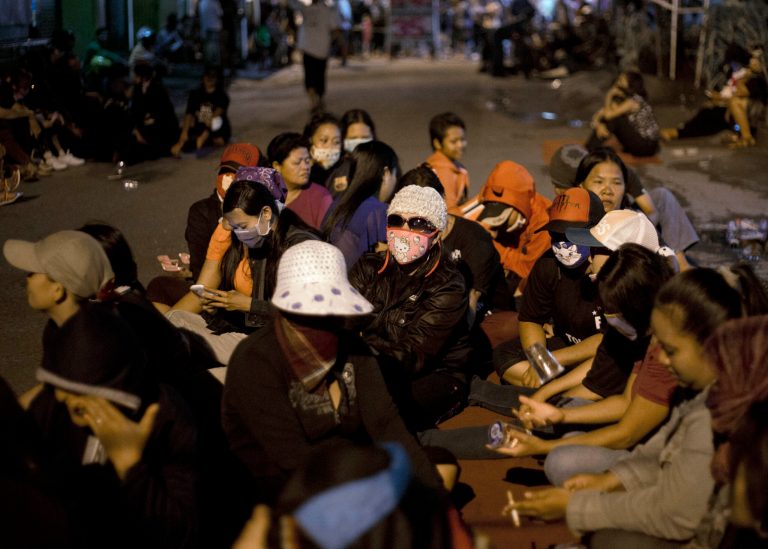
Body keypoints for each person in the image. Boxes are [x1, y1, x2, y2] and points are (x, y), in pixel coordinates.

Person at [508, 264, 768, 547]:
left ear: (713, 343)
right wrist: (605, 482)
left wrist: (576, 506)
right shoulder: (707, 390)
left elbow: (674, 514)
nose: (662, 360)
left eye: (671, 351)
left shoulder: (718, 415)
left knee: (609, 536)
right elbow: (659, 447)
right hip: (688, 508)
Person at [3, 230, 200, 549]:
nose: (25, 279)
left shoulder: (163, 416)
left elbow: (182, 531)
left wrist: (129, 465)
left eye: (33, 272)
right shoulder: (70, 338)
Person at [222, 241, 443, 503]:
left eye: (330, 313)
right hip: (281, 491)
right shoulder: (257, 360)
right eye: (309, 314)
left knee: (438, 470)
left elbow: (386, 425)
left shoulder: (352, 348)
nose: (323, 323)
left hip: (344, 470)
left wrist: (438, 504)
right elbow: (290, 460)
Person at [349, 185, 472, 432]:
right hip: (372, 364)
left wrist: (357, 362)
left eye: (418, 223)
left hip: (435, 374)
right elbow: (340, 318)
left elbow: (414, 354)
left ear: (437, 234)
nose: (405, 231)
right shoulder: (368, 266)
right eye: (397, 220)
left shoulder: (448, 285)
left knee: (377, 416)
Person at [166, 172, 317, 366]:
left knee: (177, 335)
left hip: (282, 350)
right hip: (255, 336)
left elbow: (308, 315)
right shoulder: (262, 239)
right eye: (234, 227)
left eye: (242, 226)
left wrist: (248, 305)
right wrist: (219, 307)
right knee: (174, 319)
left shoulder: (299, 248)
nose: (239, 234)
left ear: (267, 213)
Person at [492, 187, 605, 386]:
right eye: (556, 235)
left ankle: (556, 389)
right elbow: (531, 320)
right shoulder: (548, 265)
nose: (562, 245)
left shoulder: (611, 268)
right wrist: (540, 360)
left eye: (571, 236)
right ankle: (565, 390)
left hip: (604, 354)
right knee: (505, 356)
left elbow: (611, 340)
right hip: (566, 347)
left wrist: (553, 361)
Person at [575, 147, 699, 268]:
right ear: (581, 186)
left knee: (662, 196)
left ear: (625, 188)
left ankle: (683, 264)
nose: (607, 190)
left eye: (617, 183)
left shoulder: (634, 220)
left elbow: (667, 262)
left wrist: (641, 229)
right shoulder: (571, 220)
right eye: (598, 181)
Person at [661, 50, 767, 149]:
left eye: (756, 62)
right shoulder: (738, 77)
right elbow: (731, 95)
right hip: (731, 112)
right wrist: (717, 98)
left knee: (723, 108)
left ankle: (746, 137)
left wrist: (742, 79)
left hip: (746, 114)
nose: (754, 64)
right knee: (708, 112)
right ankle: (679, 132)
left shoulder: (754, 79)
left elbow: (740, 95)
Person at [322, 140, 399, 269]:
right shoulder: (378, 212)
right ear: (386, 173)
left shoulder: (335, 206)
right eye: (395, 173)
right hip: (358, 286)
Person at [586, 71, 660, 157]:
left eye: (621, 81)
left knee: (616, 118)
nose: (617, 83)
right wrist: (599, 125)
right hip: (640, 142)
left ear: (630, 84)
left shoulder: (633, 101)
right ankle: (591, 146)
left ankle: (591, 147)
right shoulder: (623, 98)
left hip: (647, 146)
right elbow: (599, 114)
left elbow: (608, 115)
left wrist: (609, 96)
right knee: (612, 116)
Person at [268, 131, 333, 230]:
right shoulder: (264, 196)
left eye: (307, 161)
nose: (305, 167)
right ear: (277, 166)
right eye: (297, 162)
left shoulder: (321, 198)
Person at [291, 0, 342, 112]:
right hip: (321, 49)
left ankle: (314, 99)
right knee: (319, 75)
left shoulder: (306, 9)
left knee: (310, 75)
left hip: (309, 48)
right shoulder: (327, 10)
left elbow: (292, 4)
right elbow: (335, 28)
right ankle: (317, 99)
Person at [171, 67, 230, 155]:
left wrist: (203, 136)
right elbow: (189, 114)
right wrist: (184, 133)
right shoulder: (195, 94)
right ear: (203, 77)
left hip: (215, 129)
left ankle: (193, 143)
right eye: (207, 76)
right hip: (201, 126)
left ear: (217, 79)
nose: (209, 79)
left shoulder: (222, 96)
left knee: (215, 124)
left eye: (213, 76)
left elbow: (214, 116)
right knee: (178, 134)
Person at [325, 108, 377, 195]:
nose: (360, 142)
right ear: (342, 138)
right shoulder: (334, 167)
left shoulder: (382, 164)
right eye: (353, 138)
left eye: (365, 137)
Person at [425, 112, 470, 208]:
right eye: (454, 141)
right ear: (437, 143)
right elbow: (450, 210)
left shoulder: (431, 165)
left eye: (462, 139)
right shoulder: (442, 170)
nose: (460, 145)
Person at [304, 111, 343, 189]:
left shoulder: (345, 171)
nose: (330, 147)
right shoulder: (301, 172)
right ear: (310, 141)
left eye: (336, 142)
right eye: (324, 140)